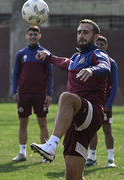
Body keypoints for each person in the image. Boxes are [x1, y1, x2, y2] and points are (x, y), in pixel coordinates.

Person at [30, 19, 111, 180]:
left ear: (96, 37)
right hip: (76, 123)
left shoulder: (98, 53)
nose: (81, 35)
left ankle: (51, 144)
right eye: (79, 32)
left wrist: (92, 69)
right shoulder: (76, 57)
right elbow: (65, 62)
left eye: (86, 32)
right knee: (72, 176)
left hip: (92, 112)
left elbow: (105, 66)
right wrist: (49, 56)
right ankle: (51, 146)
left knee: (66, 97)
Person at [12, 26, 53, 162]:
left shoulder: (45, 54)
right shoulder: (21, 54)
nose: (33, 37)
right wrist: (14, 90)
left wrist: (49, 93)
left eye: (35, 35)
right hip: (24, 94)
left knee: (43, 123)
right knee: (23, 122)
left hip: (40, 94)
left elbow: (49, 75)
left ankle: (45, 155)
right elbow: (16, 74)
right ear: (26, 36)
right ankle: (22, 153)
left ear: (39, 36)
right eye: (30, 34)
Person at [85, 35, 118, 168]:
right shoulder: (91, 61)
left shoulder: (111, 62)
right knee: (92, 129)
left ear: (106, 46)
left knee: (107, 129)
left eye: (102, 44)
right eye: (97, 44)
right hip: (93, 101)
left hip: (105, 102)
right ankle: (92, 157)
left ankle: (111, 159)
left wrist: (109, 103)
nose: (99, 46)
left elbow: (114, 85)